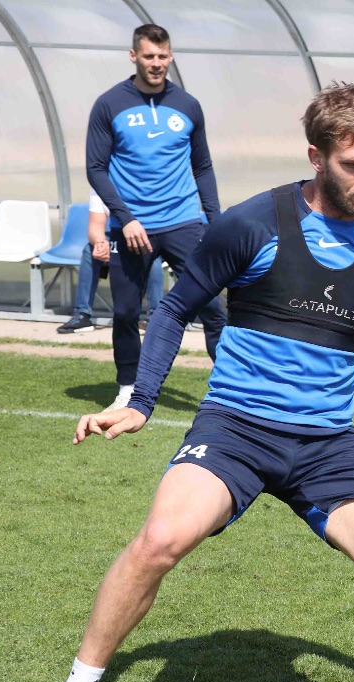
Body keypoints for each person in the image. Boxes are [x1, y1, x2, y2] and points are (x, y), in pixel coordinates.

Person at [12, 82, 354, 682]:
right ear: (316, 156)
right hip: (237, 430)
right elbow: (175, 308)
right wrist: (140, 402)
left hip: (327, 445)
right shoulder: (253, 224)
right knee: (160, 540)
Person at [86, 22, 226, 409]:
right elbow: (95, 168)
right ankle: (128, 389)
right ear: (134, 56)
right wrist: (126, 217)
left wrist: (215, 221)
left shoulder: (188, 105)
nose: (156, 63)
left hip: (184, 222)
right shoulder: (109, 104)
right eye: (149, 56)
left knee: (212, 307)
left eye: (163, 56)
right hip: (131, 228)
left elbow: (202, 167)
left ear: (171, 56)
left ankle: (231, 389)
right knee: (126, 312)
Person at [56, 190, 163, 334]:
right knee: (90, 250)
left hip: (148, 238)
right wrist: (100, 243)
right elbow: (95, 226)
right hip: (118, 240)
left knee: (151, 258)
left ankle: (156, 319)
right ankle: (82, 315)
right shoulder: (100, 188)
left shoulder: (143, 185)